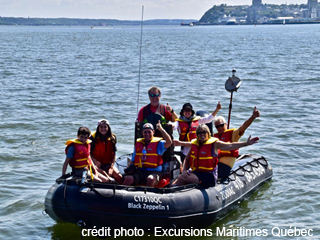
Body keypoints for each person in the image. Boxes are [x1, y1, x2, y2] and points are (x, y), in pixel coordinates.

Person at [174, 124, 259, 187]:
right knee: (182, 177)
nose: (202, 134)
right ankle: (171, 190)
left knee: (182, 178)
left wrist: (246, 143)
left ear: (208, 133)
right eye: (199, 133)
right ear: (197, 135)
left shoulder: (214, 144)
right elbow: (187, 158)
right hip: (196, 172)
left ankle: (172, 190)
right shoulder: (195, 145)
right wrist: (185, 170)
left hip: (209, 176)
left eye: (204, 132)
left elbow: (230, 145)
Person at [214, 106, 261, 179]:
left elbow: (243, 127)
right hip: (215, 165)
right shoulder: (214, 137)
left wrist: (252, 117)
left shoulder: (233, 134)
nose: (219, 128)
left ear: (225, 124)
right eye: (217, 127)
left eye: (221, 125)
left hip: (224, 167)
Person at [123, 121, 172, 187]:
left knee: (150, 179)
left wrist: (161, 129)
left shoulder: (159, 144)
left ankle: (148, 195)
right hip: (140, 171)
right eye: (145, 132)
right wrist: (130, 167)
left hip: (154, 172)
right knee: (128, 179)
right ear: (142, 133)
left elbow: (169, 142)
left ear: (153, 132)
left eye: (149, 132)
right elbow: (133, 160)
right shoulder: (138, 144)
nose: (147, 134)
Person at [90, 119, 123, 183]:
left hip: (108, 165)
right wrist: (95, 161)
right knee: (106, 180)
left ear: (108, 128)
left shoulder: (112, 138)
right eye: (101, 127)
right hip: (96, 165)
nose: (103, 129)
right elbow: (88, 154)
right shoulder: (93, 138)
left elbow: (114, 154)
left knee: (120, 177)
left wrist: (111, 167)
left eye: (105, 127)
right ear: (98, 128)